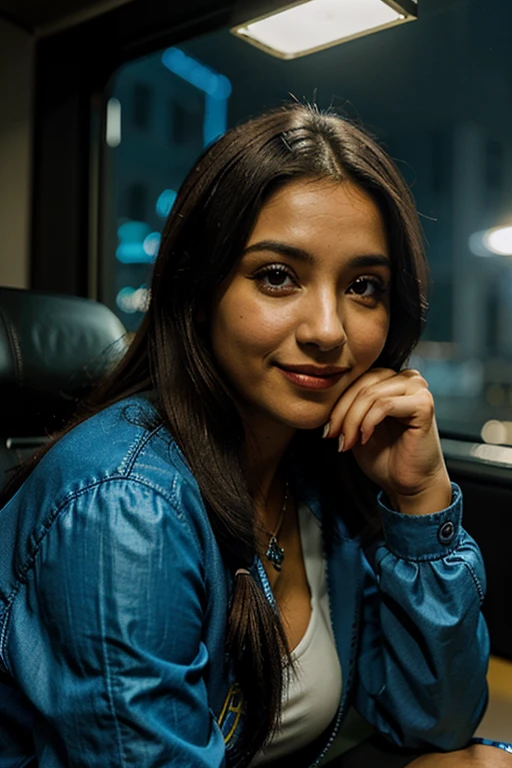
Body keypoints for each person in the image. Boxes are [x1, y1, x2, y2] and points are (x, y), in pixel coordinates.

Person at [0, 104, 510, 768]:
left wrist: (421, 502)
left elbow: (436, 722)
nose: (328, 331)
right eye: (277, 276)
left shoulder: (322, 470)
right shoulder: (126, 509)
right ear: (197, 289)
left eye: (362, 287)